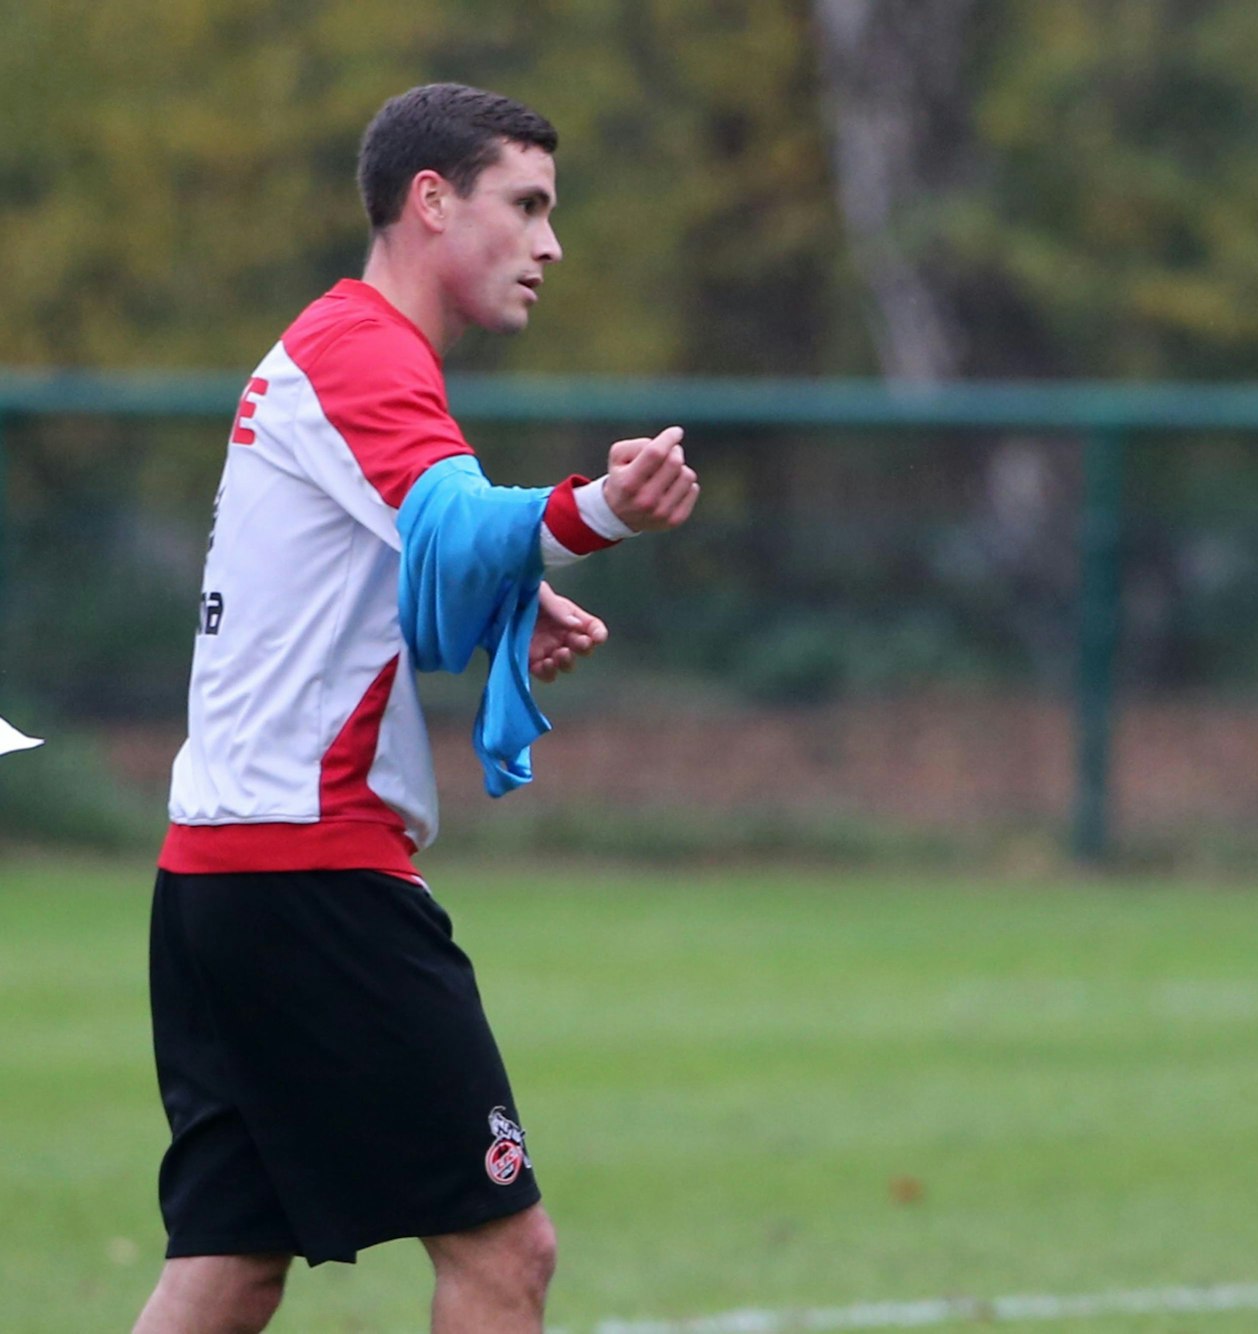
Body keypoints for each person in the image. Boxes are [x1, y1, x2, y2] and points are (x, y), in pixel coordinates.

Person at [134, 84, 700, 1334]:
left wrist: (510, 601)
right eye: (529, 205)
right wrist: (598, 512)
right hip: (313, 871)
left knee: (229, 1265)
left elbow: (389, 568)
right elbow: (446, 526)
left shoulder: (338, 349)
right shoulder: (365, 349)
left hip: (220, 874)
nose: (551, 244)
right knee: (508, 1253)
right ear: (431, 202)